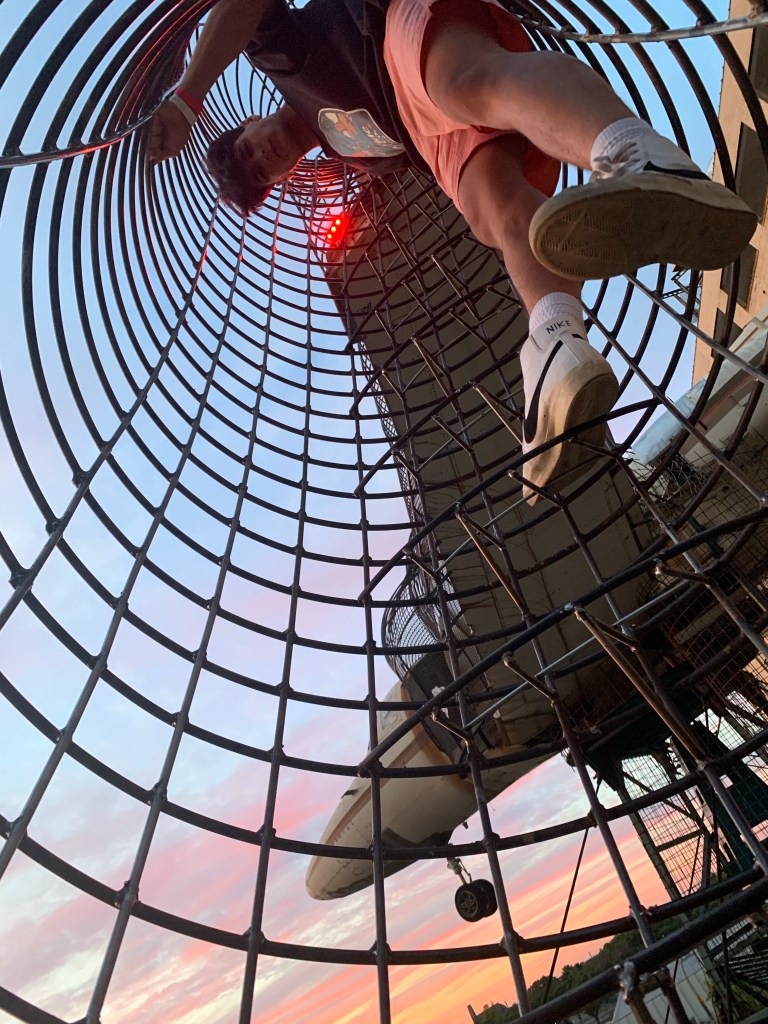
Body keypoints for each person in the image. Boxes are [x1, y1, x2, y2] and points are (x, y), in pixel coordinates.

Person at [150, 0, 757, 504]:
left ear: (249, 122)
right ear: (284, 180)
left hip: (396, 32)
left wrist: (187, 97)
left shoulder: (283, 63)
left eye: (248, 150)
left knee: (467, 81)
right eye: (261, 173)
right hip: (424, 133)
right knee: (493, 212)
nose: (261, 158)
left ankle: (638, 155)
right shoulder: (347, 153)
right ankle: (556, 341)